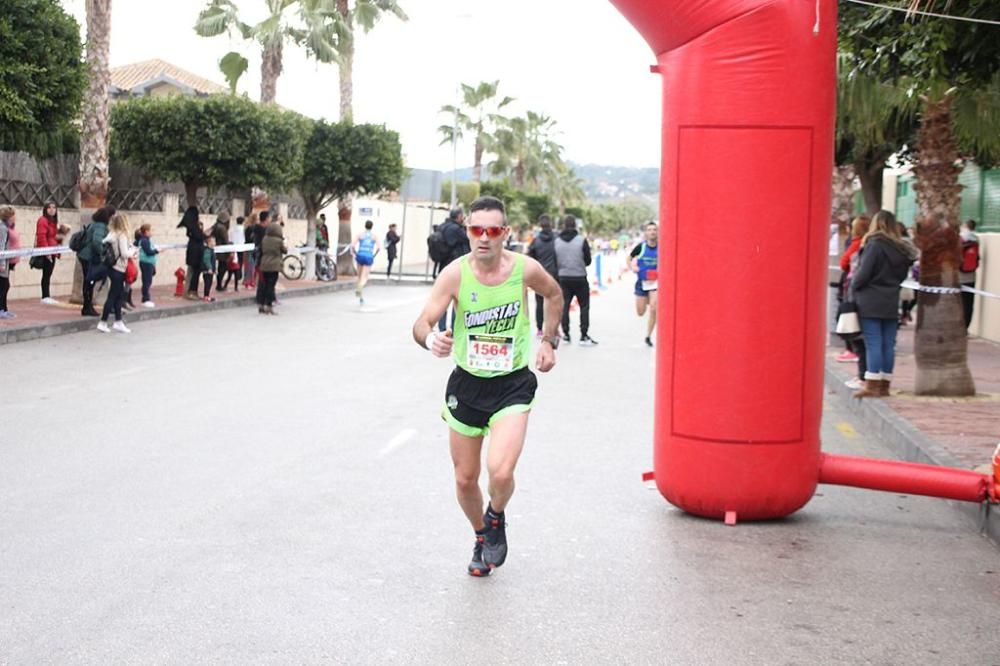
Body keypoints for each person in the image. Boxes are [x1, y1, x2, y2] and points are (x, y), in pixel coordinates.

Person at [411, 195, 563, 577]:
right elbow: (421, 324)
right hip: (467, 385)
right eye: (477, 229)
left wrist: (548, 340)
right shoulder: (454, 274)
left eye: (492, 230)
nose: (484, 238)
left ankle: (495, 517)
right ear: (468, 231)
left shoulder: (524, 270)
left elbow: (555, 293)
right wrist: (432, 341)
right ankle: (482, 535)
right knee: (464, 479)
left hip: (512, 384)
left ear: (504, 233)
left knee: (499, 472)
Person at [850, 210, 917, 399]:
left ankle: (871, 383)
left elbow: (863, 274)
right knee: (888, 343)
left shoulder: (874, 245)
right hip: (890, 299)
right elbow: (902, 276)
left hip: (870, 299)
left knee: (873, 342)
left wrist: (854, 286)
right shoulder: (901, 249)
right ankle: (884, 384)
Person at [554, 215, 597, 345]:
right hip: (579, 277)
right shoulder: (581, 240)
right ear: (575, 226)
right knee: (584, 306)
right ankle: (583, 335)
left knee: (564, 306)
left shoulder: (556, 241)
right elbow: (588, 260)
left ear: (563, 226)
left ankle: (566, 334)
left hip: (563, 277)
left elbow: (554, 260)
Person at [97, 213, 137, 334]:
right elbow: (124, 253)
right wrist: (133, 251)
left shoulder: (111, 234)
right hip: (119, 267)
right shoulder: (122, 235)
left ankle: (118, 321)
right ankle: (103, 322)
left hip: (111, 267)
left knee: (118, 295)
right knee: (114, 296)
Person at [436, 207, 472, 330]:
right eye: (462, 216)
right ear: (458, 217)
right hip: (457, 267)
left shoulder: (442, 227)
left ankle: (442, 328)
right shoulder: (456, 229)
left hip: (443, 266)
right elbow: (469, 238)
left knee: (442, 300)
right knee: (458, 299)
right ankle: (454, 327)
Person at [526, 214, 558, 336]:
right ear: (550, 224)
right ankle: (554, 328)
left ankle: (539, 329)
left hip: (539, 275)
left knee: (539, 303)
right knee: (554, 300)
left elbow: (529, 256)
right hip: (554, 274)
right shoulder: (556, 239)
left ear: (540, 225)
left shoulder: (536, 240)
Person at [629, 222, 660, 347]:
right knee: (640, 312)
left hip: (656, 283)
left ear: (658, 232)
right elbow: (629, 258)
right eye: (649, 230)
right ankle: (648, 299)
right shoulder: (641, 247)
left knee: (654, 308)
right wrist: (633, 266)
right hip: (642, 283)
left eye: (654, 229)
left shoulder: (662, 247)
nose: (652, 232)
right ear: (646, 233)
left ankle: (648, 335)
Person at [79, 206, 113, 317]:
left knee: (88, 281)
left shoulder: (94, 224)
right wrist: (102, 252)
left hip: (85, 255)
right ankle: (87, 307)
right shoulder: (100, 226)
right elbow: (96, 242)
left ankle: (87, 306)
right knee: (89, 282)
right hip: (89, 257)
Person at [176, 206, 205, 300]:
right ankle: (191, 292)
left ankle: (190, 291)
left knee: (192, 272)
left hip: (193, 252)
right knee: (194, 273)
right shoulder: (194, 227)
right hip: (196, 253)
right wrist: (203, 233)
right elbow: (199, 237)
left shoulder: (191, 227)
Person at [34, 202, 60, 304]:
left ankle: (47, 296)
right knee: (46, 273)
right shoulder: (43, 220)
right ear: (45, 209)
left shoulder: (54, 222)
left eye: (54, 207)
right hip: (47, 251)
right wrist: (47, 252)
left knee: (48, 273)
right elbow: (41, 236)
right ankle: (45, 296)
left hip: (53, 251)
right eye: (49, 207)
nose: (52, 209)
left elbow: (56, 237)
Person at [259, 219, 285, 315]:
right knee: (271, 286)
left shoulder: (264, 239)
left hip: (264, 264)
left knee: (264, 285)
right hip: (274, 265)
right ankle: (269, 305)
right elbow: (284, 250)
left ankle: (261, 304)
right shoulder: (279, 241)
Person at [960, 219, 980, 329]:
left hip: (958, 275)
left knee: (957, 303)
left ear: (964, 225)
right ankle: (965, 327)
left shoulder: (960, 238)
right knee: (968, 303)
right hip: (971, 274)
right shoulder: (976, 239)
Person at [353, 219, 378, 304]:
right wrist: (374, 255)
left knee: (359, 277)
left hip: (360, 255)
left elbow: (352, 246)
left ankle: (361, 297)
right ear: (372, 226)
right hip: (368, 256)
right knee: (365, 277)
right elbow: (379, 248)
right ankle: (360, 287)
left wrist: (356, 253)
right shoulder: (374, 236)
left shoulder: (360, 235)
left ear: (365, 225)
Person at [137, 224, 159, 308]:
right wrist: (157, 251)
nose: (152, 232)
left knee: (148, 280)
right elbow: (148, 252)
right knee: (147, 281)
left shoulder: (147, 240)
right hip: (146, 262)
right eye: (150, 230)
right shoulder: (144, 241)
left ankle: (146, 297)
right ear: (146, 232)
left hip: (149, 262)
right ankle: (145, 298)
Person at [222, 216, 245, 292]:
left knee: (230, 274)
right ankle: (238, 277)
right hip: (240, 248)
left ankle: (227, 285)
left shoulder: (232, 229)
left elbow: (230, 237)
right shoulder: (243, 229)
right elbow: (244, 239)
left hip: (232, 247)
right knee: (239, 263)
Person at [253, 210, 271, 305]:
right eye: (269, 218)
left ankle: (263, 298)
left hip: (262, 256)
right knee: (263, 279)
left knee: (264, 279)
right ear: (266, 219)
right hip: (262, 257)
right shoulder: (261, 230)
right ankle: (261, 298)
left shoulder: (261, 229)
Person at [0, 206, 15, 319]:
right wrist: (2, 264)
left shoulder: (5, 227)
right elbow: (1, 246)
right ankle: (1, 309)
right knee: (4, 285)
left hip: (6, 260)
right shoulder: (2, 229)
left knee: (5, 285)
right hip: (2, 262)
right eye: (13, 216)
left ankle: (4, 309)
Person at [211, 211, 231, 291]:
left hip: (217, 249)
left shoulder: (215, 226)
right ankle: (219, 285)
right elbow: (225, 240)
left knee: (220, 268)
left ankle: (219, 284)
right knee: (223, 268)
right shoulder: (222, 228)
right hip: (223, 250)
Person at [201, 236, 217, 302]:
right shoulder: (208, 250)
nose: (215, 243)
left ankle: (207, 295)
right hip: (207, 271)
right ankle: (206, 296)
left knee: (209, 283)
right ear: (209, 242)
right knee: (208, 283)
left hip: (210, 270)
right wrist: (210, 268)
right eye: (214, 241)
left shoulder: (211, 250)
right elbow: (206, 260)